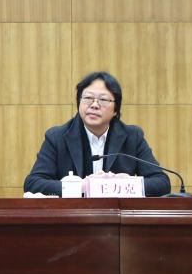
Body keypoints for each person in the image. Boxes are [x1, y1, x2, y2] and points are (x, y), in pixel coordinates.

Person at [24, 71, 171, 197]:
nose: (94, 105)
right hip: (72, 217)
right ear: (79, 102)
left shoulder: (132, 136)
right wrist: (82, 186)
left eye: (103, 100)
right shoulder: (57, 137)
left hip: (117, 217)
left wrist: (126, 184)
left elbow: (162, 182)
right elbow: (33, 183)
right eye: (88, 98)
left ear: (115, 110)